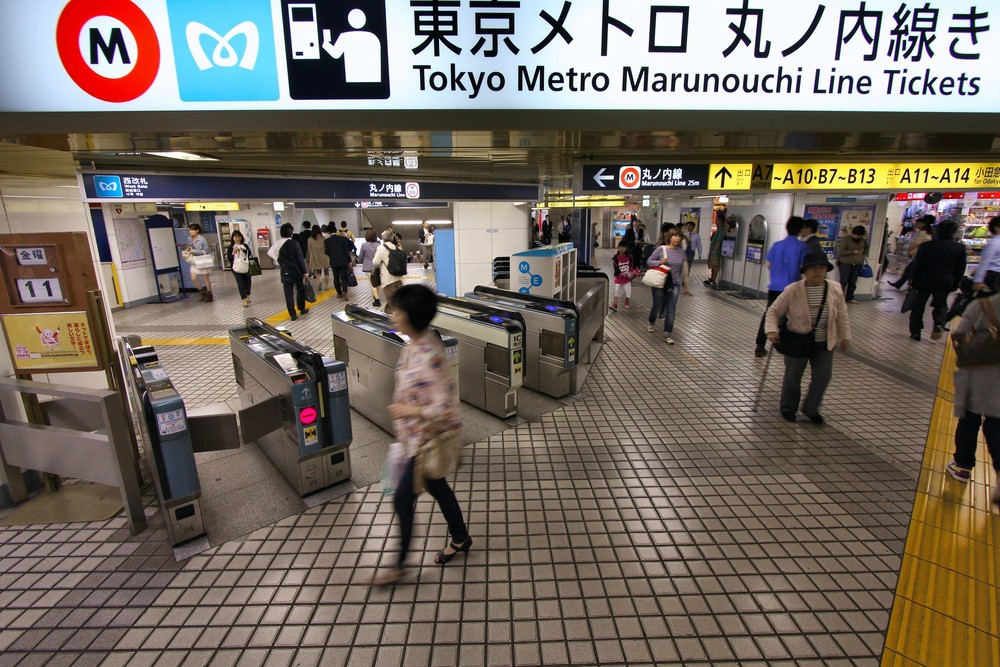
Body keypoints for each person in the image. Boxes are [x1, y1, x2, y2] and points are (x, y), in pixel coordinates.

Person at [371, 285, 471, 587]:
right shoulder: (415, 342)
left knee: (403, 502)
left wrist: (408, 412)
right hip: (413, 441)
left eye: (397, 311)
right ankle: (461, 538)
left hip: (426, 441)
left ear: (412, 316)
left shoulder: (430, 352)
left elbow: (445, 407)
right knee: (438, 487)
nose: (392, 316)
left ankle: (399, 566)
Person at [765, 252, 852, 424]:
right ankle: (788, 408)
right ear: (805, 271)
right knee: (793, 376)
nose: (818, 272)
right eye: (813, 268)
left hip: (824, 341)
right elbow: (773, 311)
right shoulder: (793, 290)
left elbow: (842, 314)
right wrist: (771, 331)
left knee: (823, 376)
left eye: (822, 268)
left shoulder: (834, 288)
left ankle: (811, 408)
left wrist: (845, 336)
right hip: (797, 340)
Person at [946, 291, 1000, 507]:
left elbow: (958, 335)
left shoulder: (981, 305)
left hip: (977, 373)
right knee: (996, 425)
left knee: (969, 419)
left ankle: (962, 466)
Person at [754, 216, 807, 357]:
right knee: (794, 316)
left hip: (775, 287)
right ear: (801, 230)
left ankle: (760, 345)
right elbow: (803, 268)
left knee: (770, 314)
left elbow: (769, 265)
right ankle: (790, 344)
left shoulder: (777, 245)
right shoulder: (801, 247)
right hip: (793, 288)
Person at [908, 220, 966, 341]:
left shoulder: (926, 246)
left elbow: (918, 265)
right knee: (941, 304)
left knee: (918, 305)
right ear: (954, 232)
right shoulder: (959, 248)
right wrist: (956, 283)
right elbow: (960, 268)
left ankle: (916, 331)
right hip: (945, 280)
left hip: (925, 279)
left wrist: (913, 281)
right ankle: (939, 323)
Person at [646, 229, 687, 344]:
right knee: (657, 305)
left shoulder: (681, 252)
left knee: (671, 309)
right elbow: (649, 261)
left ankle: (667, 334)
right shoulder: (661, 249)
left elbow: (683, 270)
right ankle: (651, 321)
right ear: (669, 237)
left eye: (679, 236)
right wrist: (659, 262)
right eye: (674, 236)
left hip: (674, 284)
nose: (677, 238)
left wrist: (686, 286)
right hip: (661, 282)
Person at [276, 222, 309, 321]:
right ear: (291, 233)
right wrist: (305, 271)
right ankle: (301, 308)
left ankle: (292, 314)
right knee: (300, 289)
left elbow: (271, 253)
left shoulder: (278, 244)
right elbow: (300, 259)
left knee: (288, 294)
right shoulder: (294, 243)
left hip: (285, 272)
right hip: (296, 271)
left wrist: (280, 262)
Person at [889, 215, 933, 289]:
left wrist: (909, 250)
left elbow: (916, 244)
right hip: (925, 255)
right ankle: (900, 284)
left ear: (923, 224)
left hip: (920, 254)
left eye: (918, 223)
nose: (916, 225)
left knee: (910, 270)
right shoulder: (930, 232)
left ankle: (908, 285)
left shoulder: (921, 233)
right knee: (910, 269)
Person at [179, 223, 214, 302]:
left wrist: (194, 250)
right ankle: (202, 292)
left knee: (205, 278)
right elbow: (189, 247)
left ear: (197, 230)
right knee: (193, 278)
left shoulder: (202, 239)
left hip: (202, 260)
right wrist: (186, 250)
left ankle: (209, 293)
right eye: (190, 230)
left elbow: (206, 251)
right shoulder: (189, 239)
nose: (190, 231)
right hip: (194, 261)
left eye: (192, 230)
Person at [836, 225, 870, 303]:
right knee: (843, 281)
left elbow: (866, 247)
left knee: (853, 282)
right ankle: (839, 299)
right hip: (845, 263)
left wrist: (862, 253)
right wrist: (853, 252)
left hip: (857, 263)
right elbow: (840, 252)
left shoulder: (862, 240)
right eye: (854, 234)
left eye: (858, 235)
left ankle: (850, 298)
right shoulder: (846, 240)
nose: (856, 236)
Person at [373, 230, 404, 313]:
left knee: (391, 302)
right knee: (396, 300)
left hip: (388, 279)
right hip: (398, 278)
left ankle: (390, 321)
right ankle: (388, 318)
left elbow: (375, 262)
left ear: (383, 238)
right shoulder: (395, 247)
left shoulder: (381, 248)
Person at [324, 226, 356, 299]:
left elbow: (326, 252)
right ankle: (345, 292)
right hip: (343, 261)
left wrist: (332, 255)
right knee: (343, 278)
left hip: (334, 262)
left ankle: (339, 293)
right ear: (336, 231)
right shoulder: (342, 239)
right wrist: (349, 261)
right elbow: (346, 251)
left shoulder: (327, 241)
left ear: (329, 232)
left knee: (336, 278)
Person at [972, 216, 1000, 294]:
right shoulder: (994, 243)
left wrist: (978, 280)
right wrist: (978, 280)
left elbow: (984, 262)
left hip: (993, 276)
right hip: (993, 276)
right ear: (997, 228)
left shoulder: (994, 242)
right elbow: (984, 262)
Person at [226, 229, 253, 308]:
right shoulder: (231, 247)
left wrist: (243, 251)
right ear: (233, 238)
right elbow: (229, 258)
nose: (237, 238)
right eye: (235, 237)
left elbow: (249, 254)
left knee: (248, 282)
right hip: (236, 268)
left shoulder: (245, 246)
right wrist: (234, 252)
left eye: (239, 237)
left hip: (246, 266)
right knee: (241, 283)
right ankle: (244, 299)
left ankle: (247, 294)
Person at [610, 240, 636, 312]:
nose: (622, 249)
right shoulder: (615, 258)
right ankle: (614, 304)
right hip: (619, 277)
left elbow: (633, 266)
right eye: (620, 247)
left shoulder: (630, 256)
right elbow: (616, 269)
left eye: (624, 247)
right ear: (618, 248)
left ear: (626, 248)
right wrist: (621, 274)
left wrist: (631, 273)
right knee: (617, 289)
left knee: (627, 290)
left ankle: (627, 301)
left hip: (628, 277)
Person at [358, 228, 382, 307]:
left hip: (368, 268)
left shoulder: (364, 245)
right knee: (377, 283)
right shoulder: (379, 245)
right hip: (377, 267)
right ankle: (375, 297)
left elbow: (360, 257)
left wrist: (362, 260)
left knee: (372, 284)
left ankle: (377, 300)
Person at [307, 227, 330, 291]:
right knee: (326, 271)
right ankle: (326, 286)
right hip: (323, 254)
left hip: (314, 255)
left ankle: (319, 281)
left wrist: (310, 256)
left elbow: (309, 249)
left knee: (318, 271)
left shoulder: (310, 239)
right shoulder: (324, 238)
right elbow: (327, 248)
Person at [705, 218, 725, 286]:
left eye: (717, 220)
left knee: (715, 265)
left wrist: (715, 250)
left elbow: (719, 241)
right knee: (712, 265)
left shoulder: (721, 230)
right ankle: (711, 278)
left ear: (720, 220)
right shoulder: (718, 229)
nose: (716, 221)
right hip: (712, 250)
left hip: (716, 251)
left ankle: (713, 280)